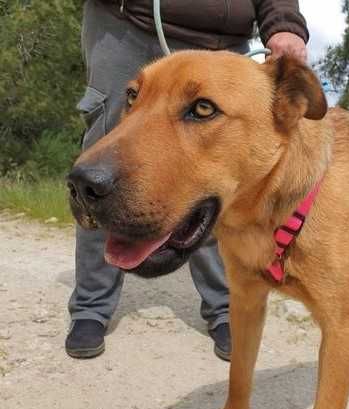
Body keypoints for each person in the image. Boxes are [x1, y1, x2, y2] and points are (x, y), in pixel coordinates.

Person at [66, 0, 309, 361]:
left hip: (221, 37)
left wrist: (285, 24)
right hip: (126, 23)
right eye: (133, 98)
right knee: (103, 165)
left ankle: (224, 307)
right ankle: (90, 306)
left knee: (214, 181)